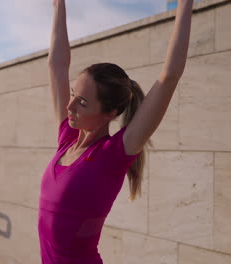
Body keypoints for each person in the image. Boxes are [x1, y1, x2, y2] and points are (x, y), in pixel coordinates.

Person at [38, 0, 194, 263]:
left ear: (110, 113)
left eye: (83, 102)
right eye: (74, 94)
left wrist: (185, 4)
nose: (70, 105)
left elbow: (169, 75)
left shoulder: (112, 155)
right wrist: (59, 5)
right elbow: (57, 65)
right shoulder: (67, 138)